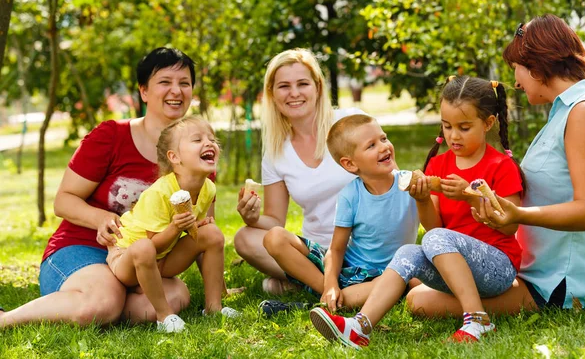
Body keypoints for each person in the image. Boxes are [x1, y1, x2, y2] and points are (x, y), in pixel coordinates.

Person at [406, 14, 585, 316]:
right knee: (418, 284)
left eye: (517, 69)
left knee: (420, 300)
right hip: (536, 270)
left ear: (536, 65)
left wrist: (518, 214)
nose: (516, 82)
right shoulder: (565, 112)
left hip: (561, 281)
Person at [310, 76, 525, 348]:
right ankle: (360, 326)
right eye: (447, 126)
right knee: (409, 251)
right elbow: (433, 225)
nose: (453, 136)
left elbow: (510, 226)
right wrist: (423, 200)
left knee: (434, 239)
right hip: (456, 271)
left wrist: (469, 197)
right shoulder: (438, 164)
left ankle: (478, 320)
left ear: (488, 123)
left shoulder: (501, 166)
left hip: (498, 268)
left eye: (464, 127)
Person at [0, 47, 197, 328]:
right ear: (143, 91)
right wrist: (101, 218)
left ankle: (102, 304)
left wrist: (219, 292)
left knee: (175, 297)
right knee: (102, 303)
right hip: (82, 247)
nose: (175, 91)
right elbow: (63, 201)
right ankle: (5, 319)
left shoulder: (196, 153)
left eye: (184, 83)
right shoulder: (111, 136)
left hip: (139, 259)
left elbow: (198, 228)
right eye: (165, 82)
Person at [234, 48, 362, 295]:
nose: (294, 93)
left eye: (302, 84)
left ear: (318, 87)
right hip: (317, 252)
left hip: (366, 245)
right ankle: (328, 285)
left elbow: (392, 183)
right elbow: (274, 221)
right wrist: (252, 219)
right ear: (271, 94)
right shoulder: (275, 152)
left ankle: (310, 284)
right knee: (244, 238)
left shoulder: (352, 122)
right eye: (284, 86)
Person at [265, 114, 418, 310]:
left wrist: (423, 198)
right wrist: (330, 284)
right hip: (347, 269)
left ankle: (313, 305)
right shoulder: (350, 195)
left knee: (409, 281)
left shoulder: (410, 184)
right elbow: (336, 249)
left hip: (390, 274)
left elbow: (435, 227)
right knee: (274, 237)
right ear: (350, 164)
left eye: (383, 138)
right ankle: (332, 296)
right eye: (371, 145)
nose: (383, 147)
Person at [107, 116, 238, 333]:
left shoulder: (208, 189)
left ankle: (214, 307)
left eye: (212, 139)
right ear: (174, 157)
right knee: (144, 247)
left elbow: (193, 233)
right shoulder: (160, 193)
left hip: (163, 259)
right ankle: (164, 316)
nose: (209, 143)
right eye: (197, 140)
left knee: (212, 233)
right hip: (129, 257)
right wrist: (177, 228)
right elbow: (152, 245)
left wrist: (197, 226)